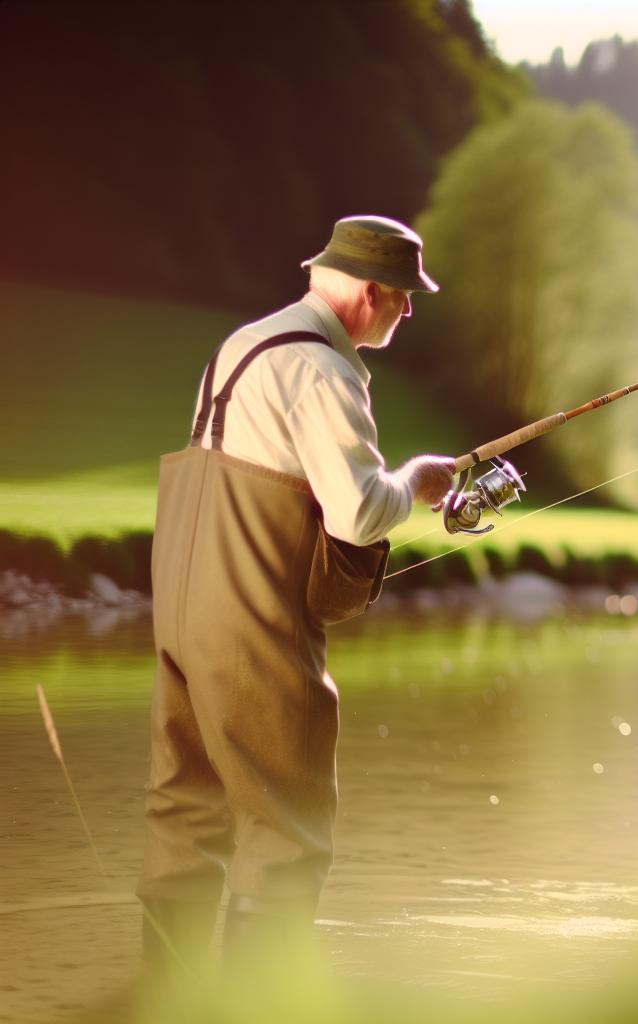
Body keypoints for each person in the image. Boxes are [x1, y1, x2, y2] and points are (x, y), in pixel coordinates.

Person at [137, 216, 457, 973]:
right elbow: (358, 514)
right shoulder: (323, 370)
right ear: (371, 293)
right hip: (252, 614)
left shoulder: (243, 343)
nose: (408, 310)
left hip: (180, 608)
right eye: (405, 296)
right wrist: (416, 479)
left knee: (185, 809)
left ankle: (165, 999)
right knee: (287, 822)